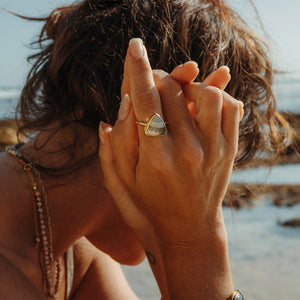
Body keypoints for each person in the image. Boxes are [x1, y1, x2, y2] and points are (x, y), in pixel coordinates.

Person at [0, 0, 291, 299]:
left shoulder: (69, 252)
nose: (207, 196)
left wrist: (166, 241)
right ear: (151, 130)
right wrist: (195, 239)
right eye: (209, 169)